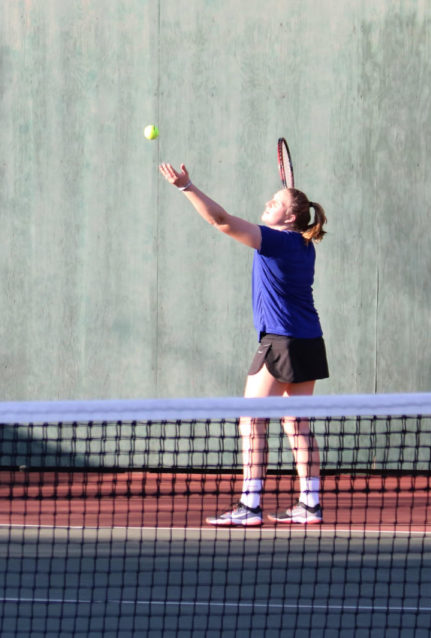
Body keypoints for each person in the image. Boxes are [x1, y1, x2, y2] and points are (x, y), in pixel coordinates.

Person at [158, 161, 329, 526]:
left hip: (280, 341)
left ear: (291, 217)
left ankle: (250, 505)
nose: (268, 203)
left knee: (251, 420)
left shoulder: (279, 241)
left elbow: (220, 220)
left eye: (276, 202)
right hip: (309, 340)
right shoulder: (302, 245)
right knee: (295, 423)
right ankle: (310, 502)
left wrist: (187, 186)